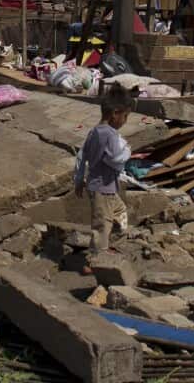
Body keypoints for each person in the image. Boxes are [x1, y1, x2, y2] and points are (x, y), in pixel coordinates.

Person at [73, 85, 133, 273]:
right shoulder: (110, 134)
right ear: (116, 113)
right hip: (102, 188)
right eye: (125, 117)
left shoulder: (94, 131)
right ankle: (94, 261)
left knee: (119, 212)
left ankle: (107, 247)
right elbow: (115, 158)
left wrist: (78, 178)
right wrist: (128, 151)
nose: (125, 121)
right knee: (102, 225)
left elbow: (82, 156)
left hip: (103, 187)